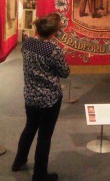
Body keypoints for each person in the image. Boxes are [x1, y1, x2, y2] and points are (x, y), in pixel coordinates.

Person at [11, 13, 70, 181]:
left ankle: (18, 161)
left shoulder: (27, 43)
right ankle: (39, 175)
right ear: (54, 32)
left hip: (30, 95)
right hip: (49, 99)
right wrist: (62, 56)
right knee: (44, 136)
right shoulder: (54, 50)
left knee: (29, 128)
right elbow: (64, 73)